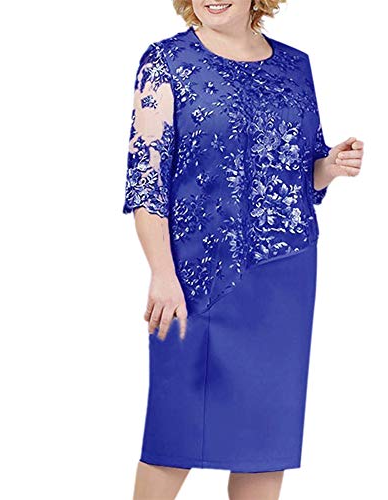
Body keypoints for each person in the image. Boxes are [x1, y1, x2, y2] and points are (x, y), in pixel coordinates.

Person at [123, 1, 364, 498]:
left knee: (264, 447)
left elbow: (301, 175)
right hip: (195, 278)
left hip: (283, 278)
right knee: (172, 439)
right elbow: (146, 181)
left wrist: (331, 166)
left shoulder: (295, 65)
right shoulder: (165, 61)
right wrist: (161, 273)